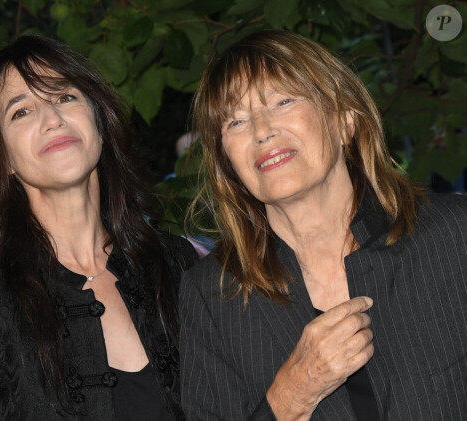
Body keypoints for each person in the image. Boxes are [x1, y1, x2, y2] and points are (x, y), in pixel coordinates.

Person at [180, 29, 467, 420]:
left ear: (345, 121)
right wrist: (290, 395)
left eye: (282, 101)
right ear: (227, 164)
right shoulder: (213, 296)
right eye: (235, 122)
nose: (262, 131)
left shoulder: (453, 235)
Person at [0, 34, 198, 420]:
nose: (52, 118)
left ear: (99, 121)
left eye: (64, 97)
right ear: (3, 158)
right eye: (21, 111)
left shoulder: (176, 265)